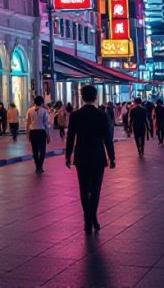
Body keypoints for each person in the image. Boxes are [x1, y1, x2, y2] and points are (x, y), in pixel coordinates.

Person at [65, 84, 115, 233]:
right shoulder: (102, 115)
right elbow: (107, 138)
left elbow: (70, 138)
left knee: (84, 188)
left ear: (82, 97)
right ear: (95, 97)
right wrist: (112, 157)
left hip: (81, 156)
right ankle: (93, 218)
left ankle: (88, 220)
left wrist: (68, 156)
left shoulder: (75, 115)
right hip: (98, 157)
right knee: (95, 190)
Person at [26, 95, 52, 173]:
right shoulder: (44, 111)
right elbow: (46, 124)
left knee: (35, 150)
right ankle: (40, 166)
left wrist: (28, 133)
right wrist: (48, 135)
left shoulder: (29, 110)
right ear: (41, 102)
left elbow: (28, 122)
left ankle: (37, 167)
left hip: (33, 132)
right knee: (42, 150)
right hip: (41, 132)